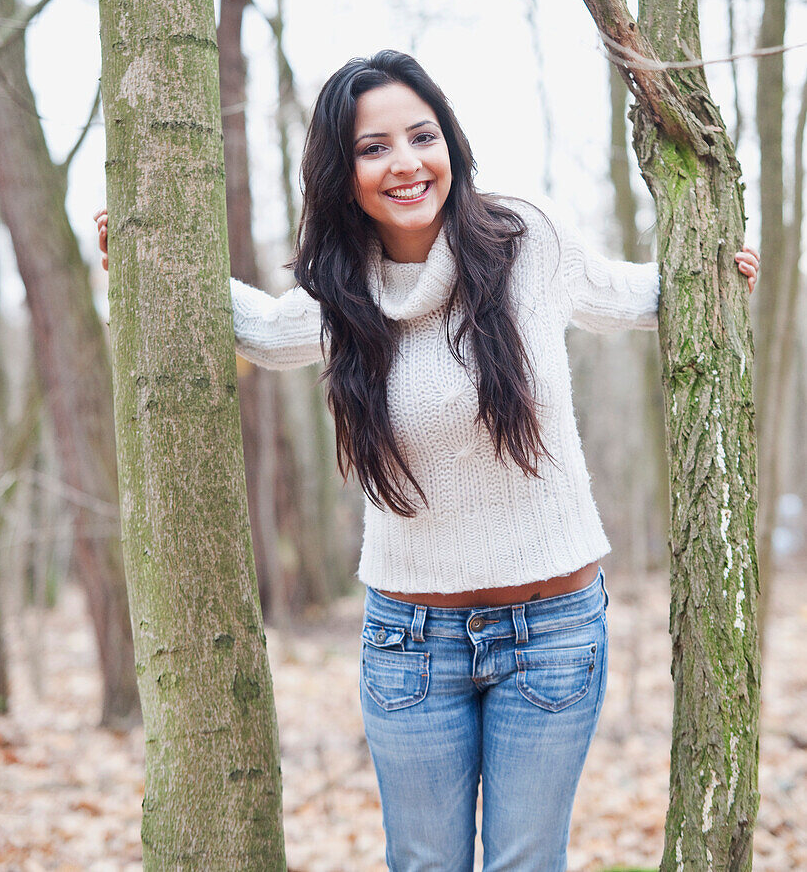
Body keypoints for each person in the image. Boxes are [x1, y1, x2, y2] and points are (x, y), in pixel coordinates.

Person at [95, 49, 759, 872]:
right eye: (375, 148)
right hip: (411, 641)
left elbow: (639, 296)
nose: (406, 163)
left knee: (525, 861)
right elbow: (265, 330)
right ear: (345, 175)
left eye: (422, 135)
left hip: (552, 630)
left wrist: (715, 270)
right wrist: (146, 253)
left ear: (451, 143)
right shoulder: (341, 294)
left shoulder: (526, 243)